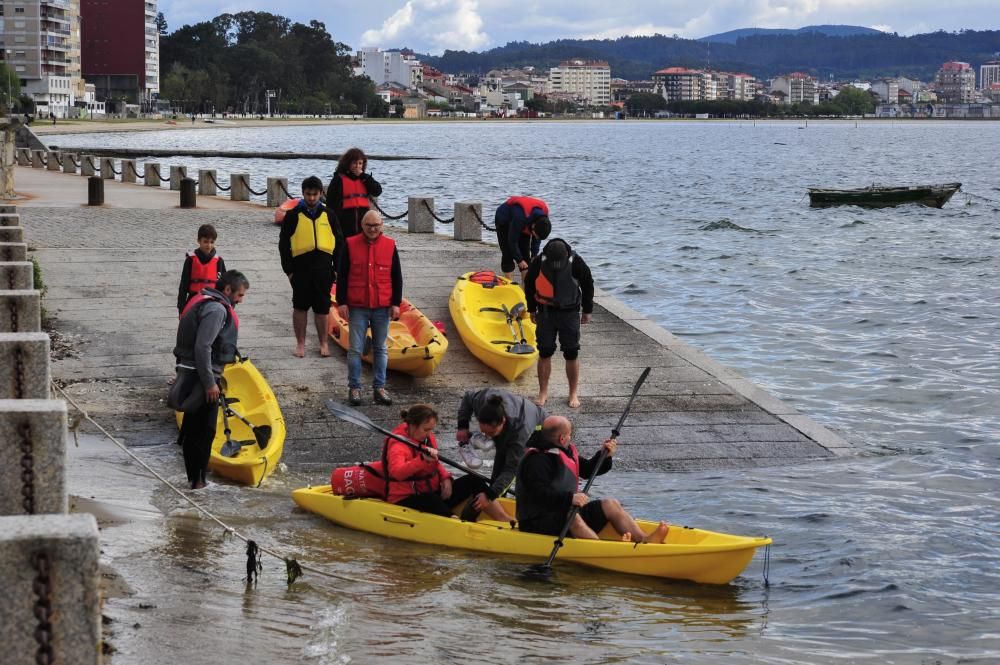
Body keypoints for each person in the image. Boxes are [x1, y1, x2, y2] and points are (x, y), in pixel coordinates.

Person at [516, 416, 670, 543]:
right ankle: (601, 550)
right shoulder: (537, 461)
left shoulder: (564, 451)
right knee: (572, 518)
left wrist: (604, 455)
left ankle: (644, 540)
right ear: (562, 438)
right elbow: (537, 494)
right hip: (536, 521)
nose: (571, 437)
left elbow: (588, 470)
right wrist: (570, 498)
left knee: (611, 504)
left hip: (564, 511)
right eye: (570, 434)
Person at [171, 270, 250, 489]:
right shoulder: (216, 310)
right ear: (227, 290)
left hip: (190, 372)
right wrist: (210, 384)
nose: (240, 300)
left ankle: (194, 481)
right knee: (204, 431)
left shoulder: (205, 300)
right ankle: (199, 484)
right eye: (240, 295)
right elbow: (203, 346)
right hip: (201, 378)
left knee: (192, 427)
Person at [452, 388, 547, 522]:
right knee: (497, 473)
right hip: (507, 428)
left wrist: (490, 495)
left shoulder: (520, 431)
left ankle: (517, 512)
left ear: (502, 421)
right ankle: (496, 502)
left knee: (518, 468)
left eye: (490, 434)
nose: (486, 437)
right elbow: (468, 397)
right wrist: (462, 426)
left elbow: (511, 469)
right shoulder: (482, 401)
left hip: (538, 430)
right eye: (484, 432)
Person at [336, 210, 401, 406]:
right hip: (357, 306)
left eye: (376, 225)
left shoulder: (390, 245)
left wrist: (396, 303)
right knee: (355, 350)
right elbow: (343, 275)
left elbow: (396, 277)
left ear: (382, 225)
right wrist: (341, 303)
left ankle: (379, 388)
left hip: (382, 306)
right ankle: (354, 388)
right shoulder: (350, 244)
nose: (373, 229)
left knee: (381, 349)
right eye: (369, 225)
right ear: (362, 226)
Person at [523, 238, 595, 409]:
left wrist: (587, 310)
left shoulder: (576, 262)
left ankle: (573, 393)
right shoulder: (539, 261)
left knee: (571, 352)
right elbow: (530, 285)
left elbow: (588, 285)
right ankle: (543, 392)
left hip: (569, 312)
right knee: (545, 351)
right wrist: (531, 309)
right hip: (545, 313)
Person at [278, 176, 343, 358]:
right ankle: (300, 344)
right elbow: (284, 246)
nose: (312, 198)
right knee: (300, 307)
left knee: (322, 308)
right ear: (303, 193)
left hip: (323, 269)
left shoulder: (329, 215)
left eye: (315, 194)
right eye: (308, 194)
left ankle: (323, 343)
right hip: (300, 269)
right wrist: (289, 271)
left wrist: (337, 269)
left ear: (321, 194)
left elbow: (339, 243)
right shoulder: (292, 216)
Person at [384, 404, 453, 516]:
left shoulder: (426, 437)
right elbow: (396, 473)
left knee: (472, 480)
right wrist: (421, 459)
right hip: (404, 498)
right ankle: (455, 522)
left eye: (431, 429)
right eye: (426, 429)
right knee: (431, 499)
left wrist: (445, 478)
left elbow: (435, 462)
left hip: (428, 493)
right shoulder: (398, 446)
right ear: (413, 425)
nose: (429, 434)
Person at [493, 195, 552, 282]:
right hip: (504, 219)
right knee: (508, 254)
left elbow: (537, 238)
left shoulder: (543, 220)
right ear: (533, 226)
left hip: (526, 222)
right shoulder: (520, 217)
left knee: (525, 256)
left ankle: (525, 290)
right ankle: (510, 286)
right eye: (535, 234)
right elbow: (512, 241)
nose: (535, 237)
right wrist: (519, 260)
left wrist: (534, 255)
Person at [327, 147, 382, 238]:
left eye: (360, 163)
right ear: (348, 163)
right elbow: (330, 203)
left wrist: (364, 176)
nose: (357, 166)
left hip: (363, 223)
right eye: (354, 163)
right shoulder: (338, 179)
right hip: (344, 223)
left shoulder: (365, 179)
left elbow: (377, 191)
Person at [177, 223, 227, 315]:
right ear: (198, 241)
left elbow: (225, 287)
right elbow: (183, 286)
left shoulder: (219, 261)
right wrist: (181, 308)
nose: (209, 245)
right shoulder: (190, 260)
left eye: (212, 242)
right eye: (206, 241)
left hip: (213, 302)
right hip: (193, 300)